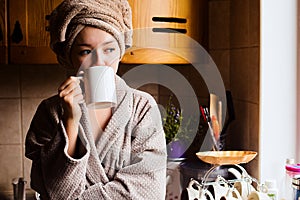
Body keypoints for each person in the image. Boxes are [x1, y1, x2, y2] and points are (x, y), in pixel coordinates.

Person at [25, 0, 167, 199]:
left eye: (109, 50)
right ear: (69, 57)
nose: (99, 62)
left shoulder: (142, 108)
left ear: (120, 52)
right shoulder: (51, 112)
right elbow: (57, 192)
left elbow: (148, 192)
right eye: (85, 51)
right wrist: (70, 122)